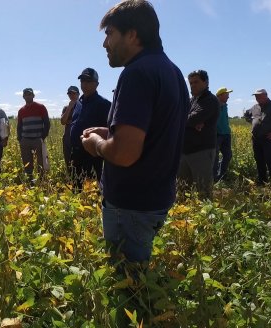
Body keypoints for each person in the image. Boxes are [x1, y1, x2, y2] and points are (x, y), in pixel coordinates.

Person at [81, 0, 189, 264]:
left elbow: (125, 154)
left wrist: (96, 143)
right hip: (154, 198)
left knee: (127, 287)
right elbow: (155, 132)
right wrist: (112, 131)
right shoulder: (172, 72)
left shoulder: (137, 73)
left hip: (130, 204)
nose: (105, 44)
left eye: (109, 34)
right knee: (138, 279)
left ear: (132, 35)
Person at [178, 70, 219, 199]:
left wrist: (188, 120)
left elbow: (190, 119)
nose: (192, 85)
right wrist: (188, 121)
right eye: (190, 83)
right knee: (182, 188)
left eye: (196, 82)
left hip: (201, 151)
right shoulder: (192, 100)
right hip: (185, 151)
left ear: (206, 82)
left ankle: (207, 218)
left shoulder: (210, 100)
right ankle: (182, 217)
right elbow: (180, 116)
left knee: (203, 190)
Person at [70, 68, 111, 192]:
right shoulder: (79, 102)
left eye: (88, 81)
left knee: (91, 189)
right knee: (76, 187)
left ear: (97, 84)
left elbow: (110, 131)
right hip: (76, 152)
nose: (84, 84)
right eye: (82, 80)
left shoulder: (104, 104)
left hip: (92, 154)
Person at [16, 88, 50, 181]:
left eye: (29, 94)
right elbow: (19, 126)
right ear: (23, 97)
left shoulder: (41, 107)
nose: (28, 96)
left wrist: (43, 137)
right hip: (25, 140)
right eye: (26, 95)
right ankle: (30, 180)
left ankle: (42, 181)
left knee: (41, 162)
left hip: (37, 139)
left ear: (33, 95)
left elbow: (47, 123)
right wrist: (20, 138)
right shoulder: (21, 110)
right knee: (27, 162)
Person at [244, 89, 271, 185]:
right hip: (256, 138)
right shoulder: (254, 107)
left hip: (269, 138)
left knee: (269, 159)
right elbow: (247, 115)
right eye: (255, 96)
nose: (257, 98)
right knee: (259, 159)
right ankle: (262, 181)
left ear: (266, 95)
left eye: (259, 96)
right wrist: (253, 123)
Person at [213, 87, 233, 182]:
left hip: (226, 134)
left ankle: (221, 175)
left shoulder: (225, 105)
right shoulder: (214, 104)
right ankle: (213, 178)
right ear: (220, 95)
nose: (228, 96)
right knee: (215, 157)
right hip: (217, 134)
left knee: (228, 155)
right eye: (226, 94)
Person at [60, 86, 81, 175]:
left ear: (78, 94)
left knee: (80, 161)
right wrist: (69, 107)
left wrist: (70, 121)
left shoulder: (82, 106)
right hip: (67, 138)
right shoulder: (66, 108)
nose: (72, 95)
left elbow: (81, 121)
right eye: (70, 93)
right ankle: (71, 179)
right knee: (68, 161)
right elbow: (63, 121)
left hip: (79, 138)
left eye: (74, 93)